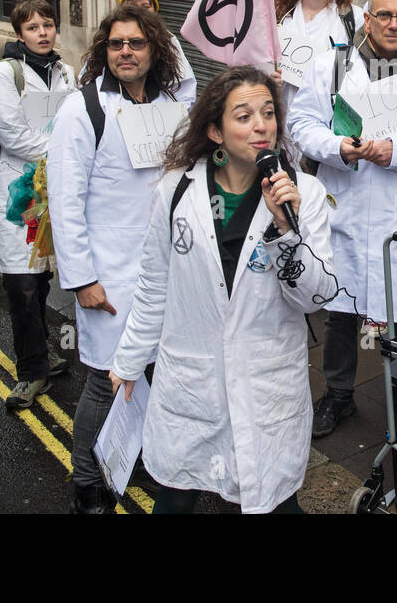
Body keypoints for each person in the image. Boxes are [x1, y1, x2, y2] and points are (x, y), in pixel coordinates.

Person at [110, 66, 337, 513]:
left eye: (268, 113)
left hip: (265, 382)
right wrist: (128, 362)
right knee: (176, 494)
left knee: (272, 497)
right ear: (215, 131)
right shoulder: (176, 191)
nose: (261, 126)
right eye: (244, 115)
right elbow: (155, 285)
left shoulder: (303, 194)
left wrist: (285, 230)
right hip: (193, 379)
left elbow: (316, 296)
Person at [290, 0, 397, 437]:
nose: (393, 24)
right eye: (383, 15)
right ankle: (339, 395)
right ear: (367, 19)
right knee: (341, 312)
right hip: (344, 209)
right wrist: (337, 147)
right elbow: (301, 123)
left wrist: (396, 152)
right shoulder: (334, 66)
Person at [48, 3, 196, 513]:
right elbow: (64, 202)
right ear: (103, 51)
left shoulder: (172, 104)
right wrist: (82, 279)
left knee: (157, 371)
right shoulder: (82, 109)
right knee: (109, 380)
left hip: (168, 269)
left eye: (136, 43)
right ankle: (88, 483)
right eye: (116, 44)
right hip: (109, 275)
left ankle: (142, 462)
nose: (126, 52)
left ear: (155, 49)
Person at [0, 0, 77, 409]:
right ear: (18, 33)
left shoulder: (66, 72)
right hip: (16, 194)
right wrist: (62, 154)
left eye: (48, 25)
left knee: (41, 276)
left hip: (52, 190)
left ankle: (42, 351)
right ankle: (30, 372)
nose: (42, 33)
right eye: (32, 27)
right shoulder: (5, 74)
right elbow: (12, 133)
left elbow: (74, 124)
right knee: (20, 282)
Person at [273, 0, 364, 111]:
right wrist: (270, 80)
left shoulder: (353, 18)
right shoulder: (280, 17)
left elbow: (368, 68)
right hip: (287, 112)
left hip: (333, 119)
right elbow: (263, 65)